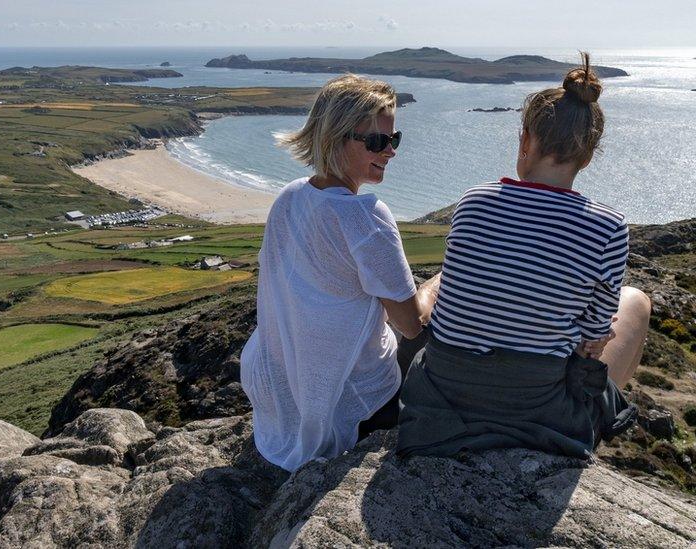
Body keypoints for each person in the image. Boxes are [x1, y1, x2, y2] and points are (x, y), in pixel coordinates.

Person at [397, 53, 651, 459]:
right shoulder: (608, 227)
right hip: (538, 414)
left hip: (439, 401)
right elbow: (593, 341)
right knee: (636, 301)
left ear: (526, 140)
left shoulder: (473, 202)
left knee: (443, 281)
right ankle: (587, 429)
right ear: (588, 155)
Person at [240, 74, 440, 472]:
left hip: (282, 394)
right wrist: (436, 284)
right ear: (335, 138)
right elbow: (412, 324)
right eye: (377, 142)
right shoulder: (364, 217)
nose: (390, 152)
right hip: (350, 399)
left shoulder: (290, 195)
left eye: (393, 139)